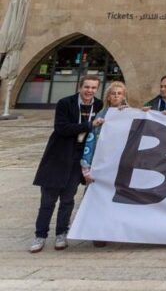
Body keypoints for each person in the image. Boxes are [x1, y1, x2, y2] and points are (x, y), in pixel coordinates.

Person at [31, 75, 103, 253]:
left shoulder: (99, 105)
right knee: (48, 200)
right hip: (59, 155)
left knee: (68, 199)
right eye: (87, 87)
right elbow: (61, 128)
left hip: (79, 158)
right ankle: (40, 235)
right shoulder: (65, 103)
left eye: (93, 88)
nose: (89, 91)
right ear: (80, 87)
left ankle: (61, 233)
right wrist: (89, 125)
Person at [81, 82, 128, 185]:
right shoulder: (101, 115)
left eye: (119, 93)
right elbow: (91, 140)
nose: (116, 96)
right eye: (113, 93)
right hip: (101, 161)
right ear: (108, 97)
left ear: (123, 97)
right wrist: (86, 166)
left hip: (120, 162)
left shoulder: (130, 114)